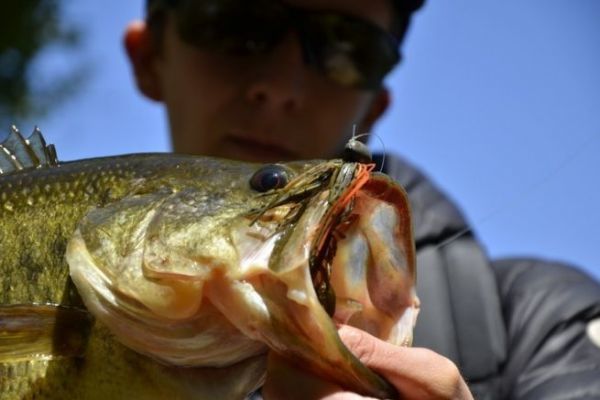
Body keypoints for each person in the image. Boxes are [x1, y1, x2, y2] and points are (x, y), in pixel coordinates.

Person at [123, 0, 600, 398]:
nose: (282, 88)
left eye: (346, 50)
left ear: (373, 106)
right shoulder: (56, 287)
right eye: (237, 25)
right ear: (148, 58)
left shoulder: (544, 326)